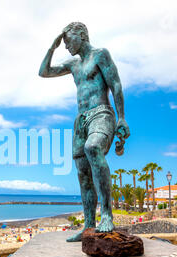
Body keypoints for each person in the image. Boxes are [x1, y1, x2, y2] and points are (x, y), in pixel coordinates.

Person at [39, 22, 130, 240]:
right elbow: (44, 72)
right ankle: (88, 225)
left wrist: (122, 118)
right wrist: (52, 47)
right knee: (82, 173)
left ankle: (106, 214)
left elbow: (116, 85)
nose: (66, 45)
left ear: (81, 35)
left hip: (101, 113)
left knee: (93, 147)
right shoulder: (73, 64)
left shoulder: (100, 55)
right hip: (80, 121)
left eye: (68, 40)